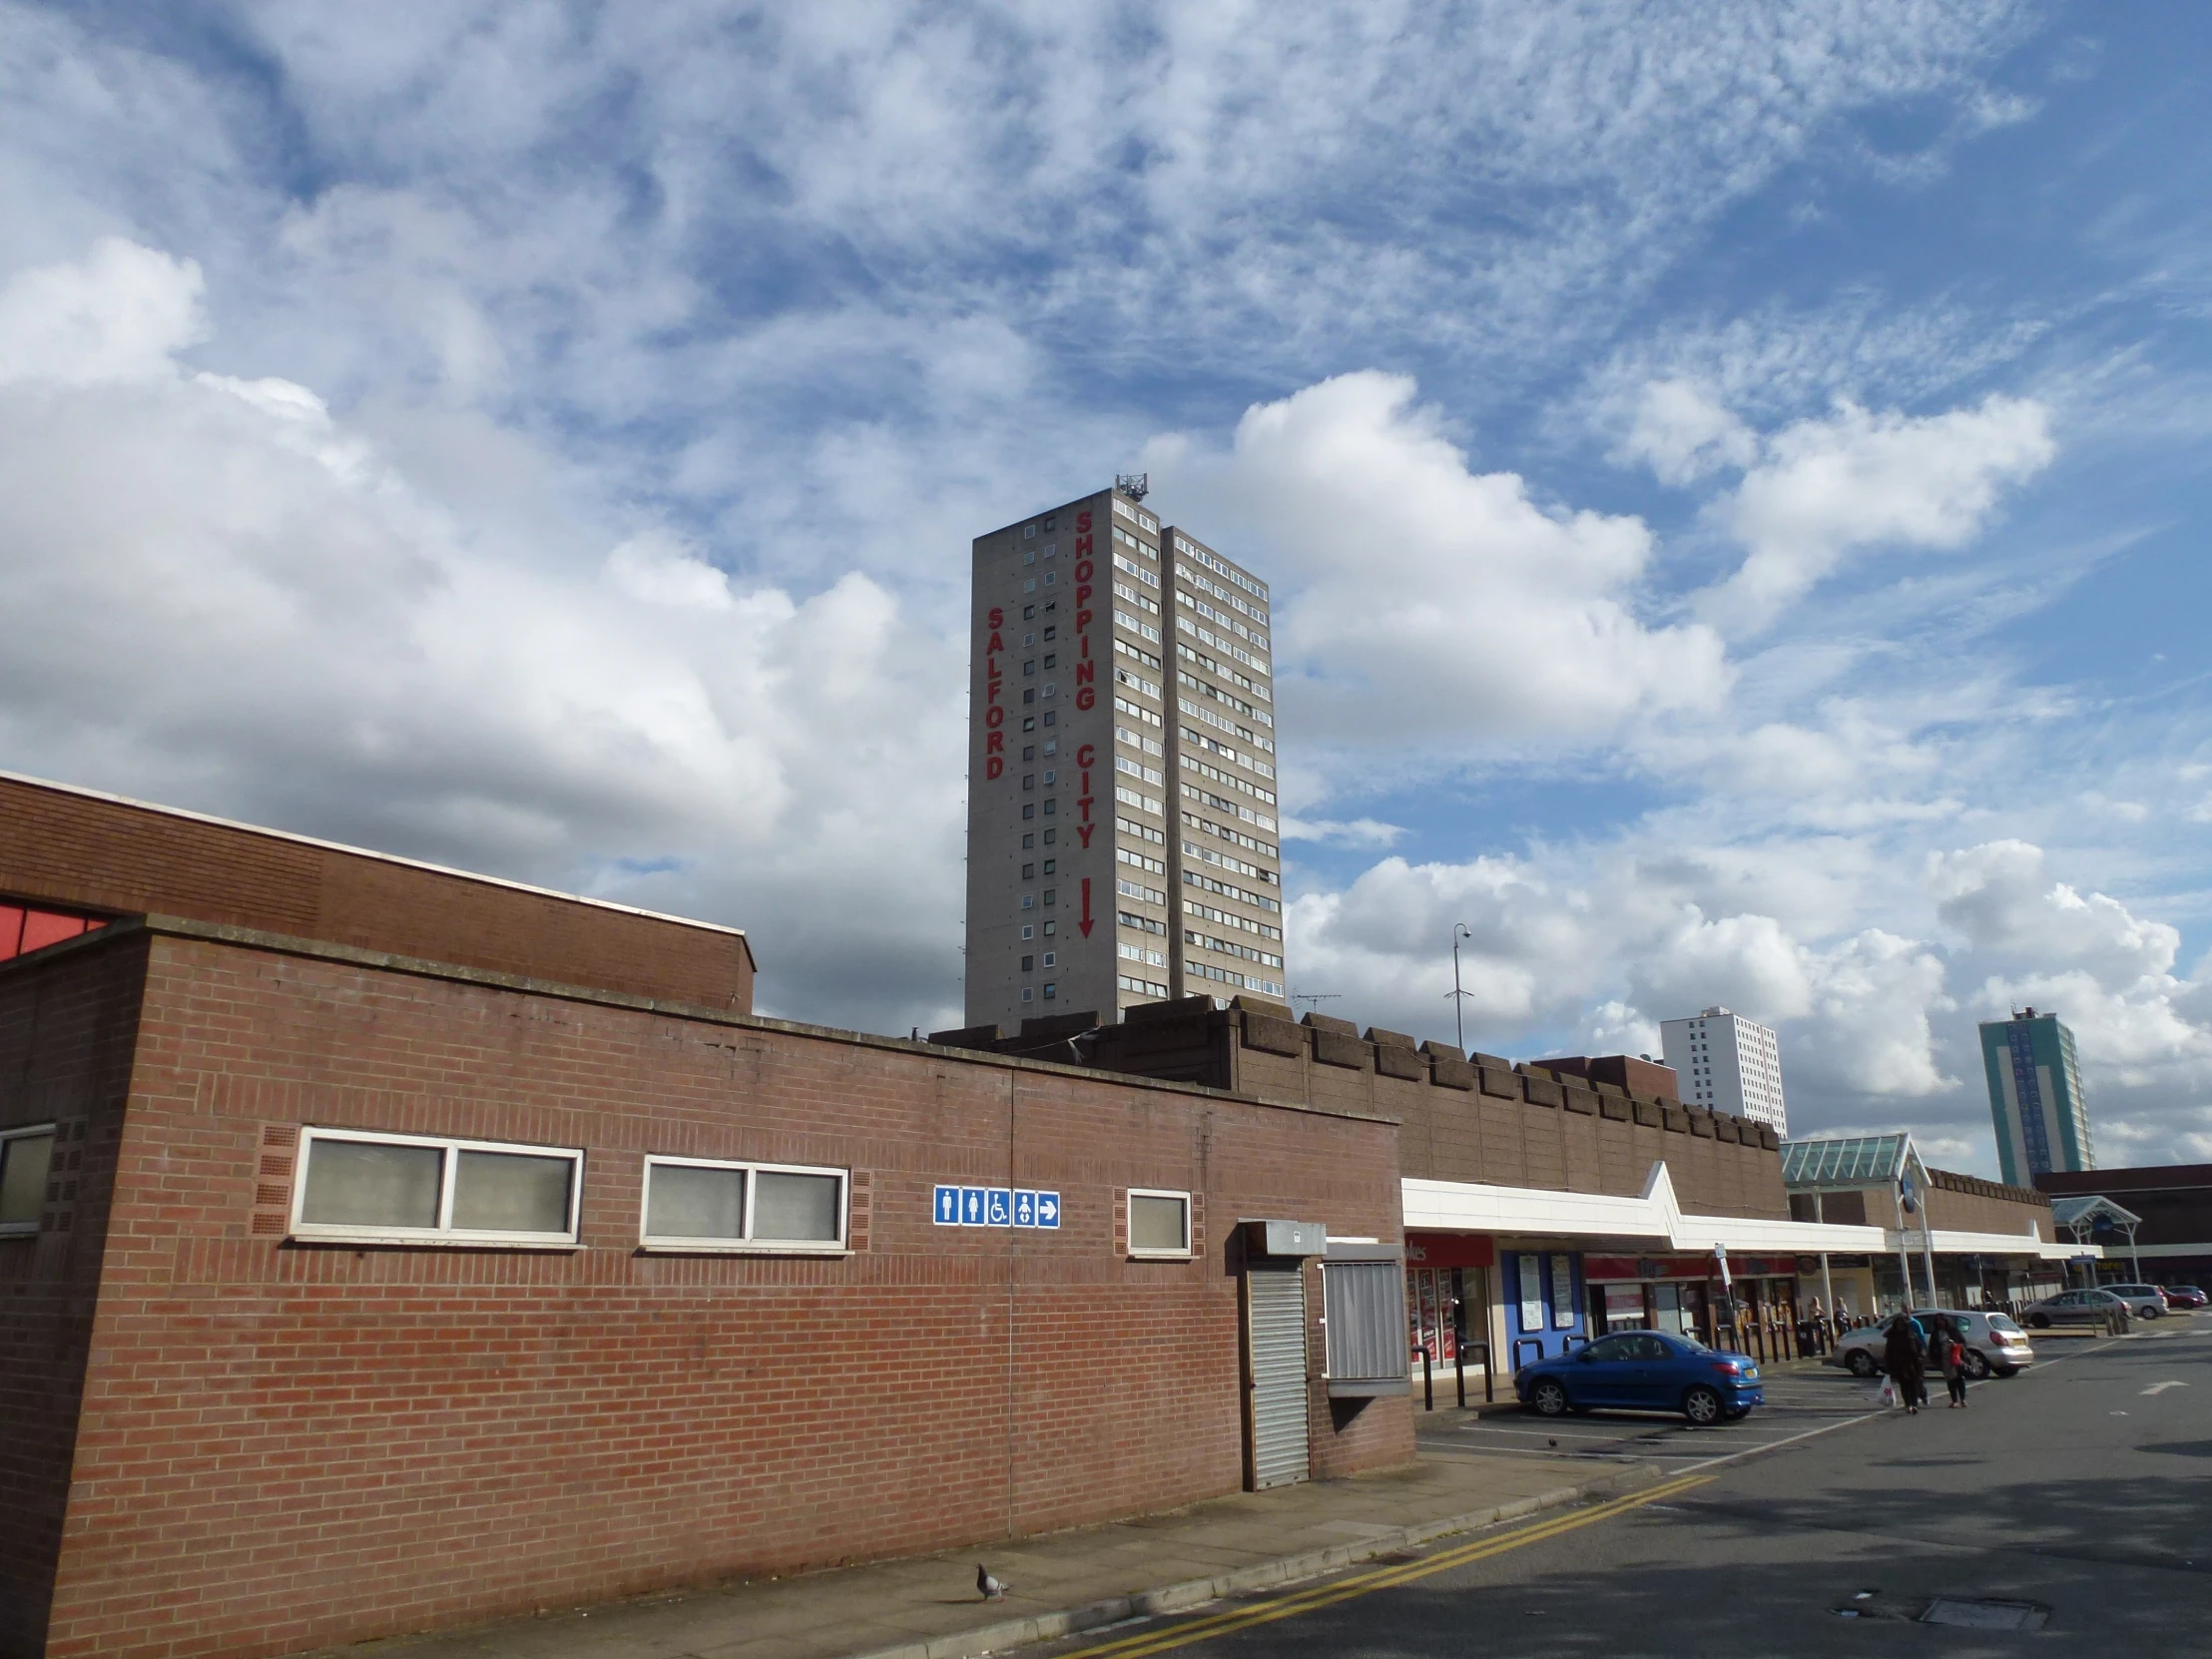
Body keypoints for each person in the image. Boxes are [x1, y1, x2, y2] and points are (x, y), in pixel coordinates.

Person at [1883, 1313, 1927, 1414]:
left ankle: (1914, 1404)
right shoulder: (1893, 1337)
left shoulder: (1911, 1335)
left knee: (1913, 1385)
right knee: (1904, 1386)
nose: (1900, 1326)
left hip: (1912, 1364)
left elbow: (1920, 1348)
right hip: (1899, 1365)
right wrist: (1888, 1367)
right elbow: (1888, 1352)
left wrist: (1921, 1356)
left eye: (1902, 1324)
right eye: (1898, 1324)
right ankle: (1908, 1405)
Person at [1934, 1317, 1968, 1408]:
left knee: (1959, 1378)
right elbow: (1933, 1346)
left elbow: (1963, 1342)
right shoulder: (1936, 1333)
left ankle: (1963, 1399)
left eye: (1942, 1321)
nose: (1940, 1323)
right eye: (1938, 1322)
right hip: (1945, 1359)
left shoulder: (1953, 1331)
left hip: (1956, 1357)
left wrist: (1955, 1345)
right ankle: (1954, 1401)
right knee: (1950, 1379)